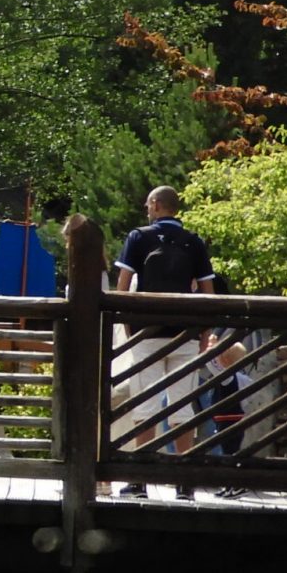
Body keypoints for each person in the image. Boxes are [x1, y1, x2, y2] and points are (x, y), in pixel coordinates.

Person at [111, 187, 217, 481]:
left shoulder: (138, 237)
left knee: (144, 407)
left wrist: (129, 328)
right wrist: (205, 333)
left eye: (148, 204)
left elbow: (122, 289)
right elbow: (209, 293)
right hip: (185, 334)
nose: (147, 209)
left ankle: (140, 479)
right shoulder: (194, 241)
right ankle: (183, 480)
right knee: (182, 408)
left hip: (147, 332)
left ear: (156, 205)